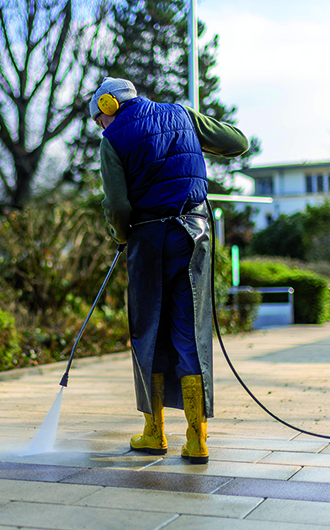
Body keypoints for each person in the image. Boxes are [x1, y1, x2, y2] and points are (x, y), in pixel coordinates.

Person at [90, 77, 248, 464]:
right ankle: (197, 440)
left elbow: (117, 206)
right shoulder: (180, 114)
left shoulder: (112, 140)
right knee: (191, 331)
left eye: (98, 120)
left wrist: (121, 237)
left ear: (108, 106)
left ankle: (154, 431)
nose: (100, 127)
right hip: (194, 235)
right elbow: (237, 143)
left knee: (147, 331)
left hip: (148, 240)